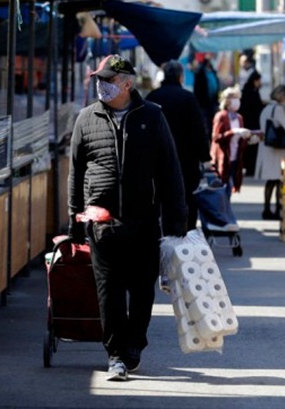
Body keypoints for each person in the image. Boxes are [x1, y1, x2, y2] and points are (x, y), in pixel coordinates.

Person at [67, 54, 187, 381]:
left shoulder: (152, 116)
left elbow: (169, 170)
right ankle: (116, 354)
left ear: (127, 83)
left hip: (144, 221)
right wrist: (74, 218)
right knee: (110, 292)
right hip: (100, 223)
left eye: (109, 80)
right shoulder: (86, 118)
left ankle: (136, 342)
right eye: (99, 80)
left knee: (142, 289)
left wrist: (177, 220)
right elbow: (76, 172)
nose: (102, 85)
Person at [146, 60, 211, 231]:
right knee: (187, 197)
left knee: (159, 198)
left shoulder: (152, 97)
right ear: (181, 77)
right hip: (186, 159)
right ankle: (186, 235)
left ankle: (161, 235)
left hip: (157, 159)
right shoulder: (188, 98)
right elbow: (198, 130)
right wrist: (205, 157)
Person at [210, 86, 249, 227]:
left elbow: (241, 141)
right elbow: (216, 137)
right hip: (222, 158)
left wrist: (247, 137)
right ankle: (222, 217)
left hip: (234, 157)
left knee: (229, 187)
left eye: (238, 98)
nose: (236, 101)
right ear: (227, 101)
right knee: (222, 188)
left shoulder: (239, 118)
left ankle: (224, 216)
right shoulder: (221, 116)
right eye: (233, 98)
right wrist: (232, 132)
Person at [256, 85, 285, 220]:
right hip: (277, 150)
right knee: (279, 179)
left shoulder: (266, 108)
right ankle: (278, 209)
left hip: (267, 148)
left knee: (270, 180)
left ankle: (266, 208)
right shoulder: (278, 109)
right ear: (282, 96)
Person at [239, 71, 265, 176]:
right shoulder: (249, 92)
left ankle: (251, 167)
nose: (260, 83)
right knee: (250, 147)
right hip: (250, 124)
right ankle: (250, 168)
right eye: (259, 81)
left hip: (251, 123)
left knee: (252, 146)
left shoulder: (251, 91)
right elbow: (253, 107)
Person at [193, 53, 220, 137]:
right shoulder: (200, 72)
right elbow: (198, 88)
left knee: (214, 124)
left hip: (213, 102)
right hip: (204, 103)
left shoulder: (213, 71)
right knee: (206, 125)